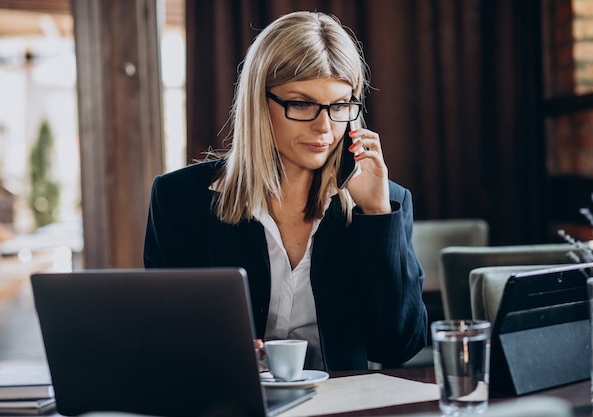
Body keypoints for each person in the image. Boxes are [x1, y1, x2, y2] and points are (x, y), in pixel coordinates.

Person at [144, 11, 427, 371]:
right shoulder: (178, 199)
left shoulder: (386, 203)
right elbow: (162, 336)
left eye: (340, 105)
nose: (324, 126)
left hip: (343, 405)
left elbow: (398, 346)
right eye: (302, 103)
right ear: (260, 103)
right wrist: (218, 350)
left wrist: (376, 215)